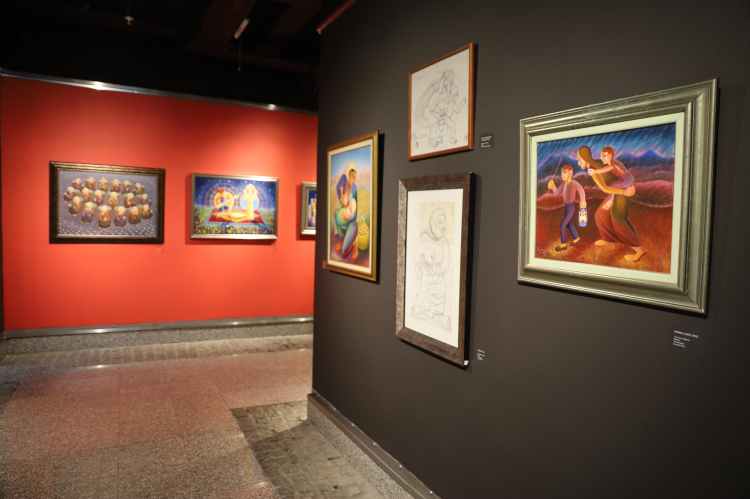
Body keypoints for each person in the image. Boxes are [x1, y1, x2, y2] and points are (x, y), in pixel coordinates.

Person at [577, 146, 647, 262]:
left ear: (585, 158)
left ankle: (640, 250)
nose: (578, 162)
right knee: (600, 214)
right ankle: (609, 242)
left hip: (620, 193)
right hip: (616, 192)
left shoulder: (594, 168)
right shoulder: (597, 164)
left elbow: (605, 188)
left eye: (579, 159)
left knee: (617, 221)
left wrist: (624, 192)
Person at [411, 208, 451, 331]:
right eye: (440, 222)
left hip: (438, 281)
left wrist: (438, 269)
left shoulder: (444, 242)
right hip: (425, 278)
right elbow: (417, 256)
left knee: (438, 307)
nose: (443, 226)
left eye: (444, 223)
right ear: (433, 223)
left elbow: (446, 261)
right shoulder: (424, 237)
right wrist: (420, 266)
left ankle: (437, 315)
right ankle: (424, 310)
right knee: (424, 297)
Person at [547, 164, 587, 251]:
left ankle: (563, 244)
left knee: (563, 225)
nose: (562, 175)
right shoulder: (564, 185)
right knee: (569, 224)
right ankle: (576, 239)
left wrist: (583, 200)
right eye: (562, 173)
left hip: (571, 208)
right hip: (566, 208)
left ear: (571, 173)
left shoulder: (574, 183)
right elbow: (557, 193)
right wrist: (553, 186)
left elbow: (581, 191)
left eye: (565, 172)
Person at [588, 146, 635, 210]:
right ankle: (629, 188)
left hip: (628, 181)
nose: (601, 158)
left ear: (610, 157)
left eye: (604, 156)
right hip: (629, 179)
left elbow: (605, 169)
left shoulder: (613, 164)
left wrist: (595, 171)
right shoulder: (614, 163)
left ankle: (610, 201)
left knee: (613, 185)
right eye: (601, 156)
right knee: (614, 184)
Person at [331, 162, 359, 260]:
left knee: (344, 253)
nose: (352, 179)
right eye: (351, 176)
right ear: (348, 174)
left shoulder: (354, 189)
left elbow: (355, 212)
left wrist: (349, 217)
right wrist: (340, 199)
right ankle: (341, 240)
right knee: (337, 215)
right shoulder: (344, 178)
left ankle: (354, 241)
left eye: (354, 177)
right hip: (344, 211)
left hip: (350, 216)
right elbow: (337, 188)